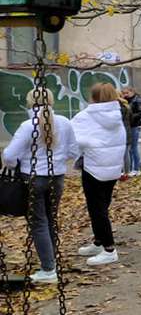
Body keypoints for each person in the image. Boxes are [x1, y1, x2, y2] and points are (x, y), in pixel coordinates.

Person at [1, 88, 80, 283]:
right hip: (57, 177)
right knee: (50, 219)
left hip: (33, 178)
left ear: (30, 102)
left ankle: (48, 268)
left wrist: (19, 163)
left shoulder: (28, 126)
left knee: (38, 222)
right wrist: (58, 160)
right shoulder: (64, 122)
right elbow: (74, 151)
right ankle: (51, 260)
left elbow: (9, 156)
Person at [71, 83, 127, 266]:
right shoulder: (118, 114)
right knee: (102, 206)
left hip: (93, 168)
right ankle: (99, 242)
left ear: (93, 97)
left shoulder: (86, 116)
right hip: (112, 168)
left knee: (97, 210)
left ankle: (109, 249)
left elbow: (73, 138)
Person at [121, 87, 141, 176]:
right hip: (129, 126)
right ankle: (130, 168)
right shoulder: (127, 100)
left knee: (133, 148)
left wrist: (131, 117)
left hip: (134, 125)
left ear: (132, 92)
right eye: (123, 93)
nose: (125, 95)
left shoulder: (137, 100)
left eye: (127, 93)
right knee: (129, 149)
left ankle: (136, 169)